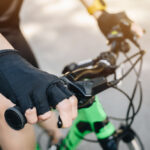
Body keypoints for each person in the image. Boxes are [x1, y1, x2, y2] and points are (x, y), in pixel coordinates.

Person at [0, 0, 144, 150]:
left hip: (10, 31)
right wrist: (5, 61)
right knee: (12, 114)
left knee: (40, 96)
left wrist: (100, 13)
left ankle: (56, 139)